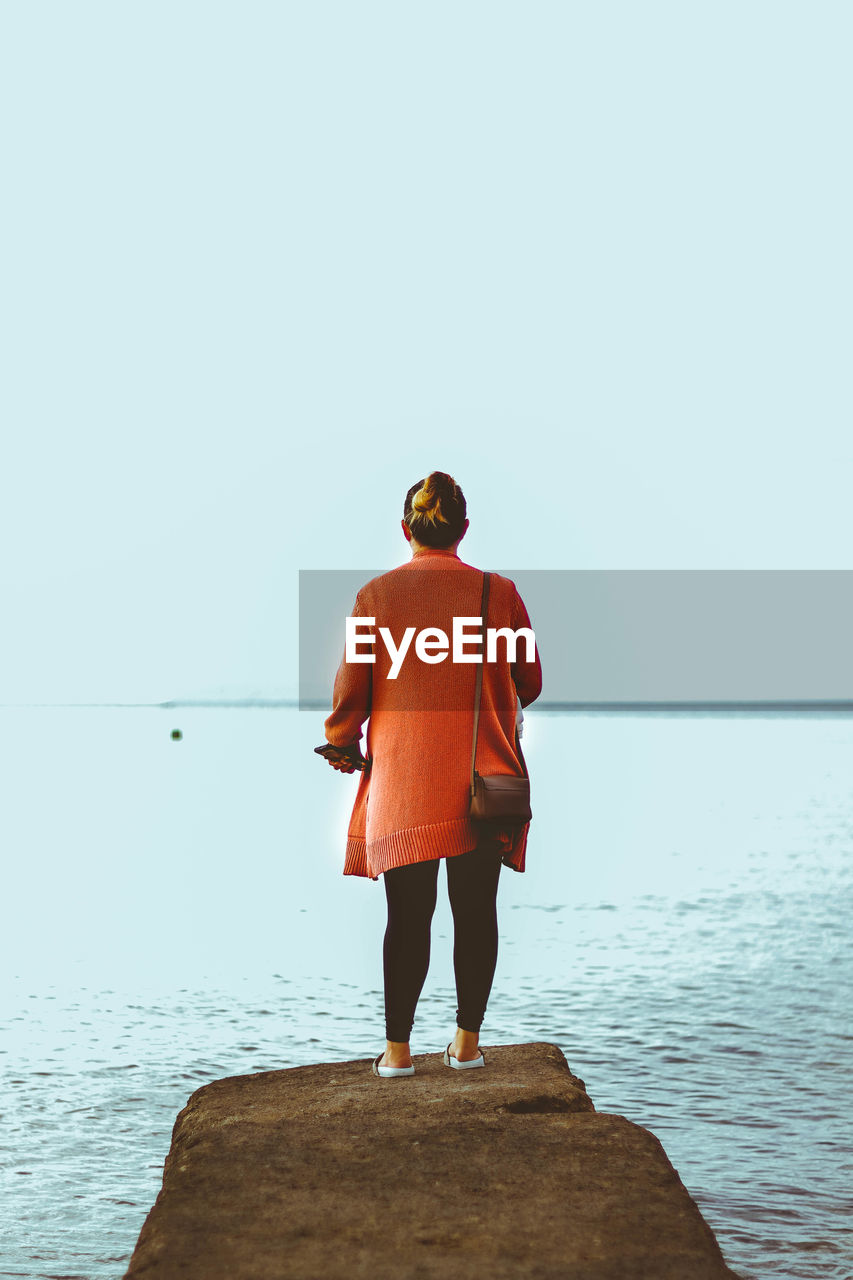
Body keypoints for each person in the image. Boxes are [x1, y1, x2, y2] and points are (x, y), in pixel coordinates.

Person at [319, 471, 542, 1077]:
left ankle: (396, 1054)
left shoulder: (375, 598)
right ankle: (466, 1046)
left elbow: (351, 696)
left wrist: (341, 742)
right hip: (482, 783)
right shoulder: (501, 595)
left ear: (406, 529)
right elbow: (531, 683)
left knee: (407, 920)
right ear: (463, 530)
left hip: (406, 785)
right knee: (477, 914)